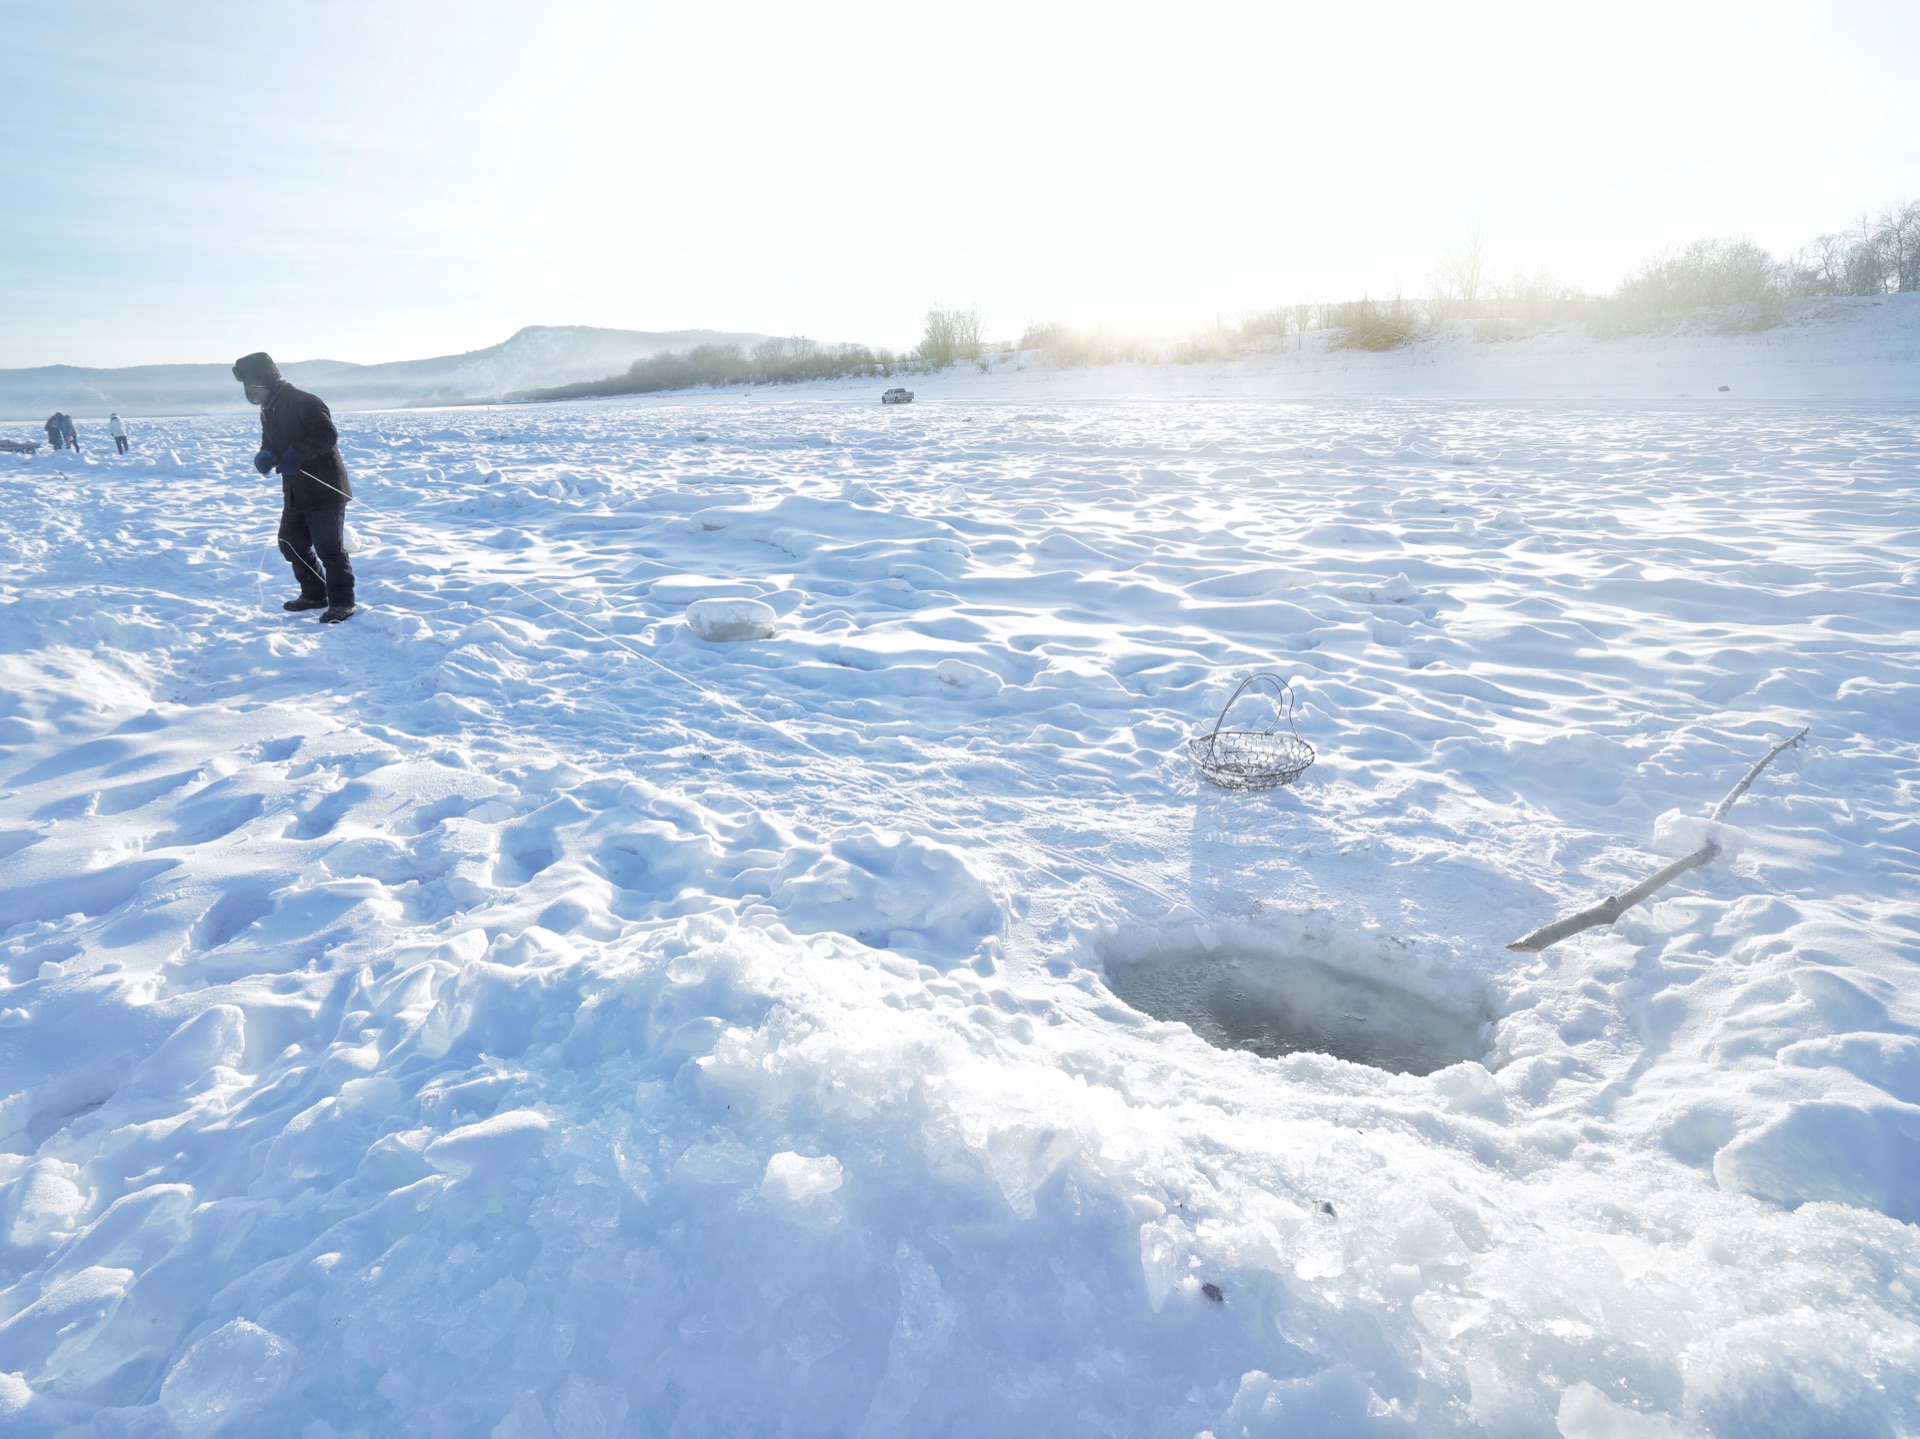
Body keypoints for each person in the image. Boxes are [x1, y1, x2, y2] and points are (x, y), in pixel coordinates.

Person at [233, 351, 357, 624]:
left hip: (325, 490)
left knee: (329, 550)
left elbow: (327, 435)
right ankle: (314, 594)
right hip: (295, 490)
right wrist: (266, 455)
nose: (250, 393)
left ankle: (342, 602)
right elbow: (270, 441)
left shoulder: (305, 401)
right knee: (290, 542)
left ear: (265, 380)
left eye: (251, 386)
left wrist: (299, 453)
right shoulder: (269, 409)